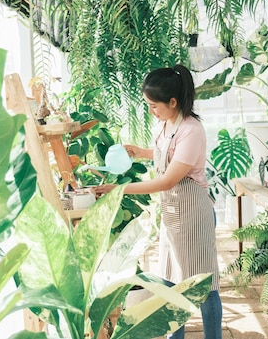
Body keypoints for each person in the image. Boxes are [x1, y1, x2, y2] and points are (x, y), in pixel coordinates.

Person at [95, 64, 222, 339]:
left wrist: (120, 189)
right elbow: (167, 154)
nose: (151, 111)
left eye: (154, 106)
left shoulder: (192, 130)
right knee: (170, 282)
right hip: (173, 214)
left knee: (204, 285)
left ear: (173, 102)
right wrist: (141, 152)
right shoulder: (167, 124)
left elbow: (167, 180)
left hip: (194, 216)